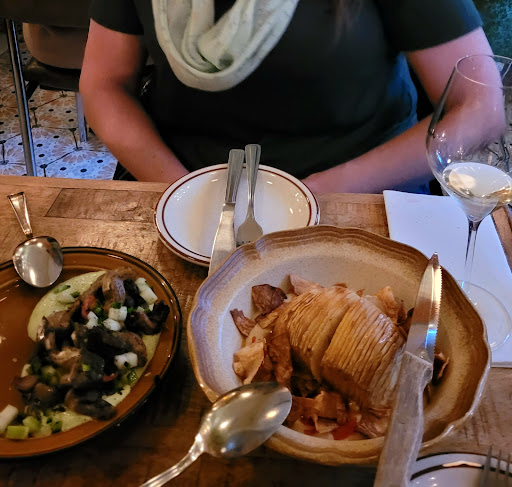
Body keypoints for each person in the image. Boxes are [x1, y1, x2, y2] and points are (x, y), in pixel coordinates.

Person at [79, 0, 493, 193]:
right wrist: (181, 190)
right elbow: (104, 84)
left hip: (360, 191)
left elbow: (479, 108)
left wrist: (315, 192)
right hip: (178, 178)